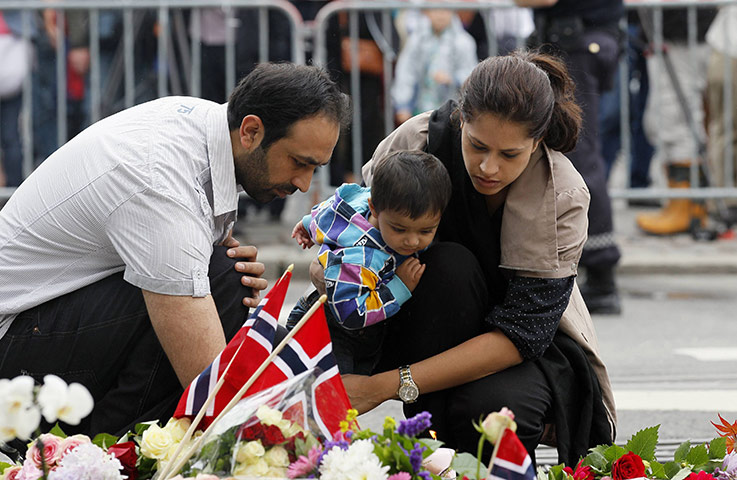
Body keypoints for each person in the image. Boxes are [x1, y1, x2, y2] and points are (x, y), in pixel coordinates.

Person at [0, 63, 350, 439]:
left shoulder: (205, 126)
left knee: (224, 279)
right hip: (13, 348)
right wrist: (292, 441)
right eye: (299, 163)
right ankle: (111, 451)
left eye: (316, 168)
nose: (303, 183)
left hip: (42, 318)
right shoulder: (160, 180)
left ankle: (118, 446)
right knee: (215, 288)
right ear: (251, 131)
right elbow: (212, 386)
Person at [328, 51, 616, 466]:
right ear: (461, 118)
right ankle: (432, 456)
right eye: (477, 145)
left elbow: (524, 333)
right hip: (409, 315)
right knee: (448, 266)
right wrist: (326, 266)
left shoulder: (562, 194)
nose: (488, 167)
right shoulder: (416, 142)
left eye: (510, 155)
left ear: (538, 142)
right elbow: (354, 234)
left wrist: (386, 387)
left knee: (493, 416)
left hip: (519, 350)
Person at [288, 150, 452, 375]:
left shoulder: (361, 202)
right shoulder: (358, 257)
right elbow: (350, 313)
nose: (413, 241)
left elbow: (334, 210)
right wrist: (399, 287)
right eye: (399, 228)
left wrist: (308, 224)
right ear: (374, 207)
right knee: (333, 399)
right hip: (331, 329)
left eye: (426, 230)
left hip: (364, 332)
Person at [517, 0, 624, 314]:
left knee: (577, 154)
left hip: (577, 43)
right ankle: (595, 271)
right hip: (581, 40)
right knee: (577, 151)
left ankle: (602, 273)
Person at [392, 9, 477, 125]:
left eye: (444, 10)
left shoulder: (464, 42)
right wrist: (403, 104)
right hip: (421, 110)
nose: (440, 15)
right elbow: (406, 72)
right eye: (435, 9)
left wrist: (452, 78)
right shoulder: (416, 40)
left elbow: (472, 75)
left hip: (454, 112)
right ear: (427, 12)